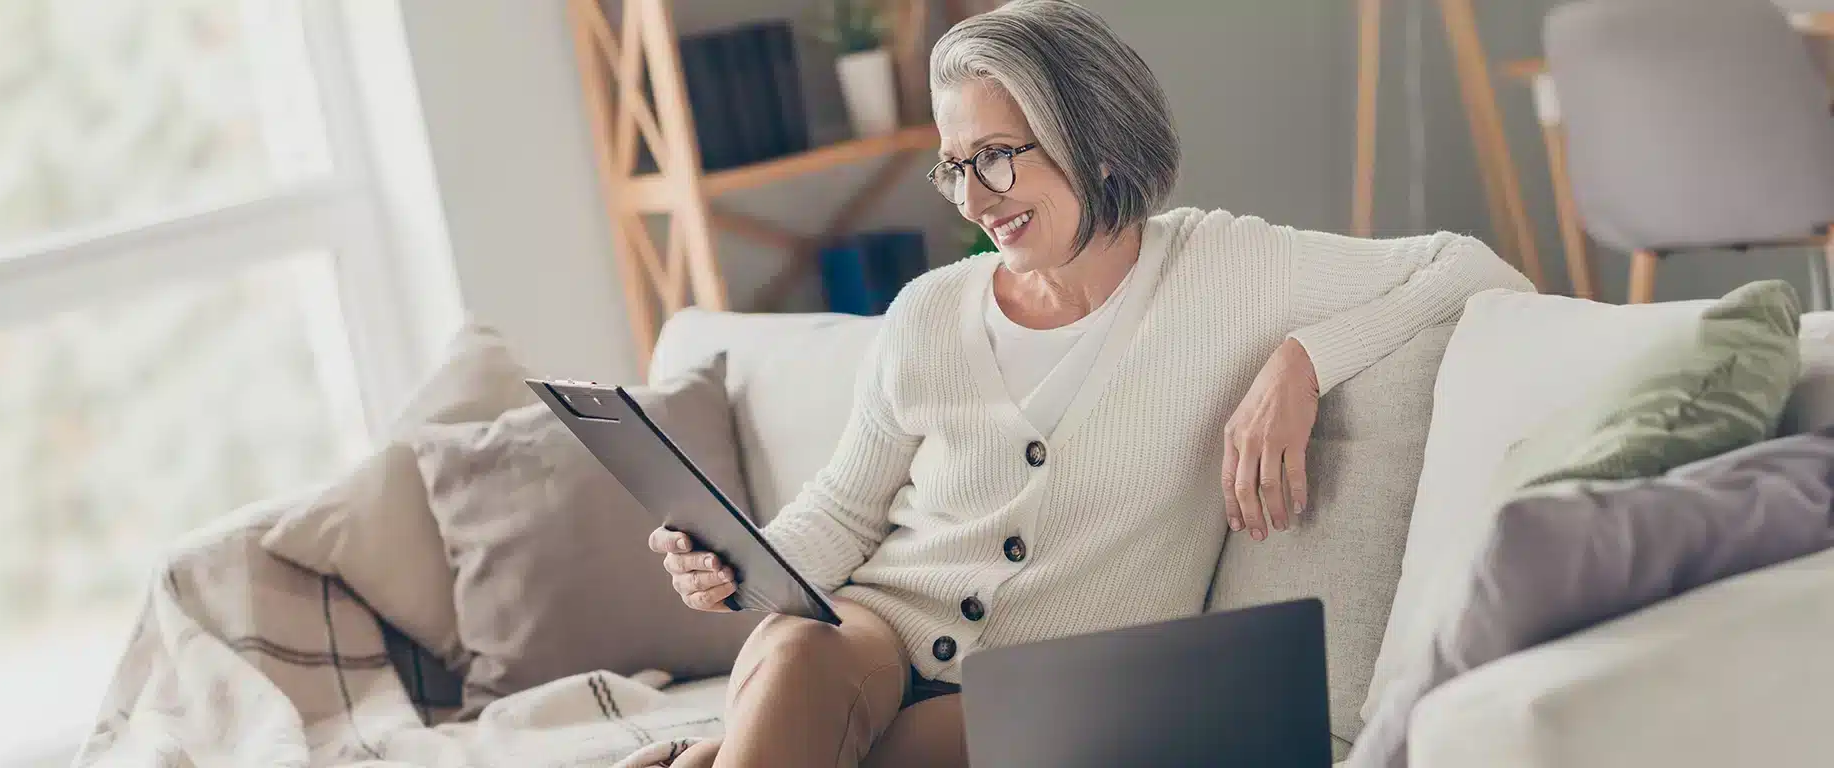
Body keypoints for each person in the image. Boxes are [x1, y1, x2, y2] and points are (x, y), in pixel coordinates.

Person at [652, 1, 1532, 765]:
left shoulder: (1226, 270)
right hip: (872, 633)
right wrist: (741, 565)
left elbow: (1472, 269)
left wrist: (1304, 363)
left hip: (1039, 696)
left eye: (996, 155)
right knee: (801, 651)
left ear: (1095, 138)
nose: (973, 198)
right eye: (956, 166)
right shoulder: (927, 312)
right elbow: (845, 510)